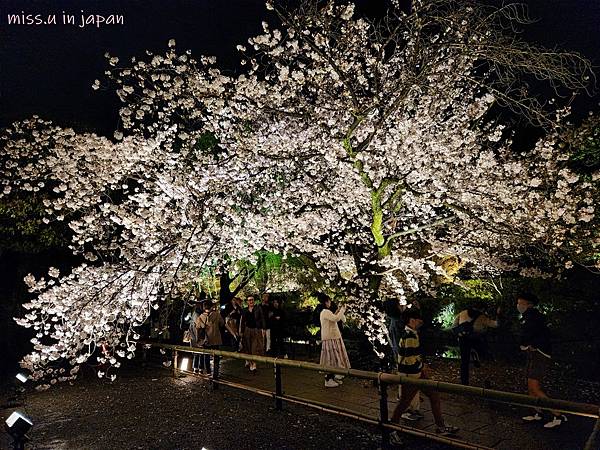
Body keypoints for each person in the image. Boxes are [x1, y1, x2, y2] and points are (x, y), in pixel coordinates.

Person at [390, 309, 458, 445]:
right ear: (412, 320)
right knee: (404, 402)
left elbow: (411, 357)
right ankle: (391, 429)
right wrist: (421, 367)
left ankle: (440, 426)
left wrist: (421, 368)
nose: (421, 322)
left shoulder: (411, 334)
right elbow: (409, 359)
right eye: (418, 319)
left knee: (433, 396)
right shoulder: (409, 336)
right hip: (411, 374)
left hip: (415, 373)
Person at [517, 293, 567, 429]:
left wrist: (525, 344)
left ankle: (558, 415)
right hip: (535, 352)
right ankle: (537, 412)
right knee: (530, 385)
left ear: (529, 305)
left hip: (539, 353)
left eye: (521, 303)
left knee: (534, 386)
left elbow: (529, 334)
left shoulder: (533, 318)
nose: (518, 306)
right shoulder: (532, 316)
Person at [453, 302, 501, 386]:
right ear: (482, 309)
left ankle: (464, 382)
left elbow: (454, 326)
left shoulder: (462, 313)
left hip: (463, 339)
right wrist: (498, 314)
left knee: (464, 362)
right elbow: (495, 324)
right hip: (477, 339)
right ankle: (485, 379)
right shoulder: (482, 316)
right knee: (484, 358)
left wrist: (459, 334)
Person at [318, 293, 350, 388]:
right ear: (326, 302)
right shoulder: (325, 311)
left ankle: (333, 377)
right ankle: (328, 379)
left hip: (333, 337)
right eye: (329, 301)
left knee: (334, 359)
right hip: (330, 338)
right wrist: (342, 310)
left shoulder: (326, 312)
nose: (330, 303)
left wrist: (339, 311)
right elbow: (335, 319)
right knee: (331, 359)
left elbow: (337, 318)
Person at [240, 295, 266, 373]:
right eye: (249, 300)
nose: (251, 301)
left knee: (254, 347)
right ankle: (250, 362)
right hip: (247, 330)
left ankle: (254, 364)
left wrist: (263, 328)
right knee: (247, 347)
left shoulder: (258, 308)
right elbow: (242, 321)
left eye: (252, 300)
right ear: (247, 302)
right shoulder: (244, 310)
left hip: (256, 329)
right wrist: (241, 331)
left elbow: (262, 318)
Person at [197, 300, 224, 375]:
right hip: (216, 339)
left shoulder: (200, 317)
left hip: (206, 339)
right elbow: (222, 323)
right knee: (216, 356)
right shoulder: (217, 315)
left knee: (206, 355)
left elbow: (198, 327)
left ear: (203, 307)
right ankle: (216, 372)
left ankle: (208, 371)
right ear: (211, 306)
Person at [189, 304, 205, 373]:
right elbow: (199, 328)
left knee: (196, 353)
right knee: (200, 353)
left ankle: (196, 368)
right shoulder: (198, 316)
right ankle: (199, 368)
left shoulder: (193, 316)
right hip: (198, 337)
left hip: (194, 337)